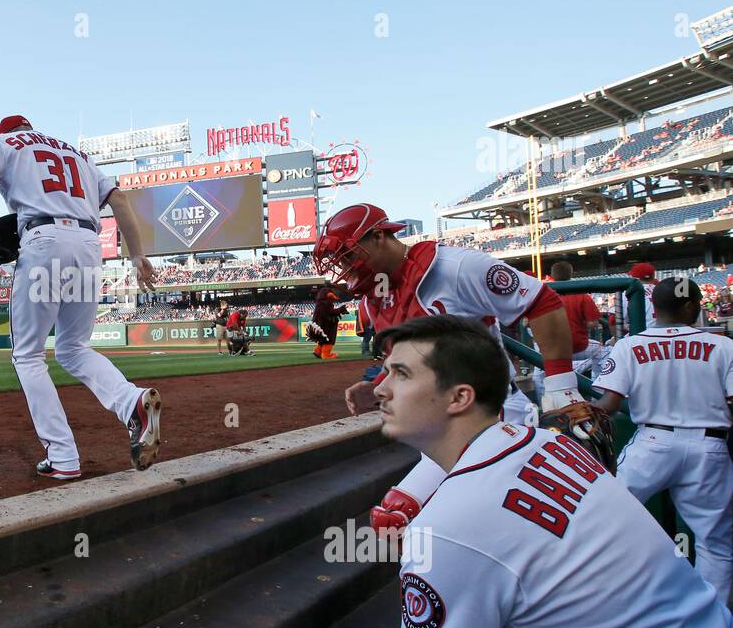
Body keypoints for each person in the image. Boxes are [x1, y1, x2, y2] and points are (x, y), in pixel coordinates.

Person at [351, 316, 733, 628]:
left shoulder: (448, 528)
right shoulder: (547, 443)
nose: (381, 387)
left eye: (401, 374)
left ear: (458, 398)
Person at [313, 203, 577, 536]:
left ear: (379, 236)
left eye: (349, 256)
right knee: (394, 521)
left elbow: (541, 301)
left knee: (494, 529)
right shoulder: (372, 298)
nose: (346, 269)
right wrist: (379, 383)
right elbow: (408, 356)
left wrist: (560, 386)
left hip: (491, 416)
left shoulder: (454, 267)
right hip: (443, 429)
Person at [0, 115, 163, 479]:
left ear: (7, 133)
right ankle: (131, 401)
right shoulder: (77, 154)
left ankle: (62, 455)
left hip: (43, 240)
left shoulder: (6, 144)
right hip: (89, 246)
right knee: (73, 348)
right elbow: (120, 199)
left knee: (28, 354)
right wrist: (137, 254)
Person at [592, 278, 733, 604]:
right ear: (692, 306)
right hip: (709, 447)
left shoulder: (630, 344)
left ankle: (610, 600)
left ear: (654, 309)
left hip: (652, 444)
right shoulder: (723, 345)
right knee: (717, 544)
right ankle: (715, 620)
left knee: (602, 517)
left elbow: (609, 406)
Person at [531, 261, 604, 401]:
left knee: (538, 374)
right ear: (571, 274)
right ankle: (597, 395)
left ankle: (543, 405)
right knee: (604, 351)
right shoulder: (581, 294)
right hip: (578, 348)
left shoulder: (541, 294)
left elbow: (527, 322)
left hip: (548, 351)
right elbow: (593, 323)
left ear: (552, 275)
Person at [309, 284, 343, 360]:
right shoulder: (325, 303)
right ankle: (326, 355)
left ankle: (318, 351)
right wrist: (340, 310)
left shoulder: (320, 303)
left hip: (321, 326)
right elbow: (330, 312)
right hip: (326, 326)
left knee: (322, 340)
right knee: (328, 340)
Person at [628, 262, 660, 329]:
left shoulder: (629, 292)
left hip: (642, 334)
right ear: (653, 276)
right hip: (664, 333)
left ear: (634, 277)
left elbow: (612, 319)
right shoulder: (665, 290)